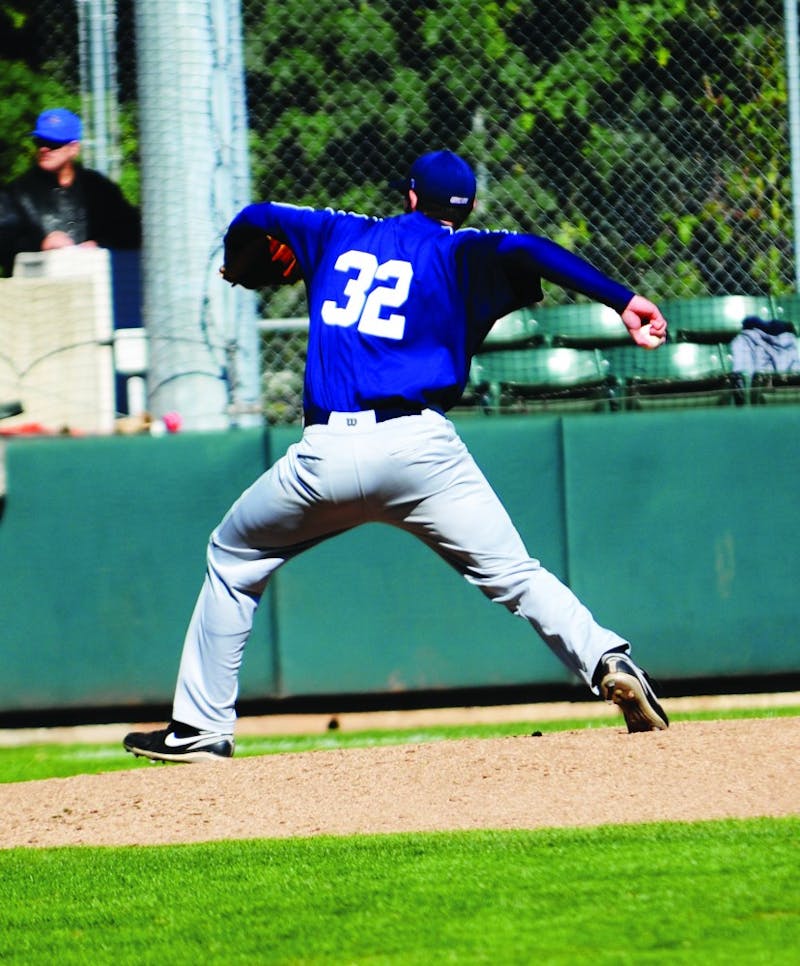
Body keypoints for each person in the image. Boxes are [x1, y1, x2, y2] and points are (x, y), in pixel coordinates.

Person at [124, 149, 669, 763]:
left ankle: (198, 730)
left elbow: (253, 215)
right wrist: (621, 300)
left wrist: (239, 259)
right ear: (465, 209)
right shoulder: (461, 251)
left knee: (233, 553)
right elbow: (528, 251)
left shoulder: (337, 230)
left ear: (409, 195)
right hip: (421, 451)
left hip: (325, 456)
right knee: (515, 575)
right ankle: (605, 658)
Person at [0, 108, 141, 275]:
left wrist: (100, 244)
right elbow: (3, 242)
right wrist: (40, 244)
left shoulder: (99, 188)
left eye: (53, 144)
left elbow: (132, 231)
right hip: (39, 292)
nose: (44, 149)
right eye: (39, 142)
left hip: (94, 287)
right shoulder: (17, 192)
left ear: (73, 148)